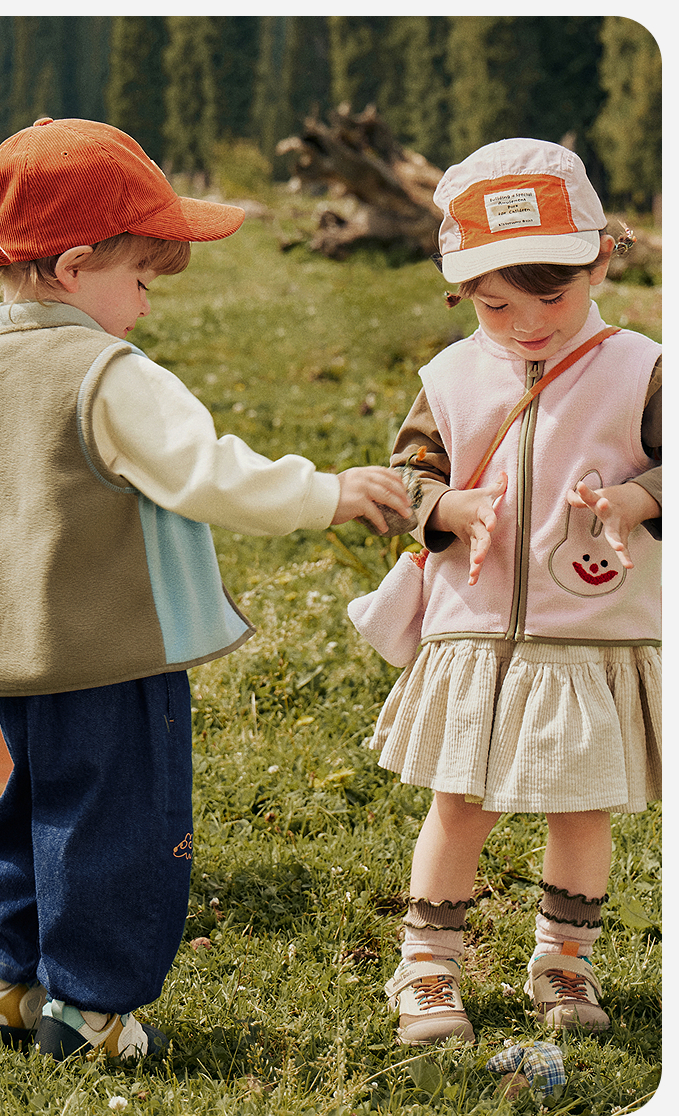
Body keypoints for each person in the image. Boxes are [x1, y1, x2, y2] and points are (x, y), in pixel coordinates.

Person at [0, 117, 412, 1062]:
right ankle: (90, 1008)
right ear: (75, 267)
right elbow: (209, 472)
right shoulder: (110, 375)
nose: (146, 307)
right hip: (113, 654)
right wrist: (327, 493)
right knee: (120, 824)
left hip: (14, 658)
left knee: (32, 804)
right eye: (141, 280)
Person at [361, 138, 661, 1044]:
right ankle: (426, 968)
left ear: (600, 260)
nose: (527, 325)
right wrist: (445, 507)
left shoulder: (643, 370)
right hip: (475, 632)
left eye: (552, 299)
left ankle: (565, 962)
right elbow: (411, 474)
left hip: (592, 634)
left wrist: (638, 498)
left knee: (582, 806)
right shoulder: (450, 379)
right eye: (497, 306)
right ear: (462, 292)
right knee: (461, 802)